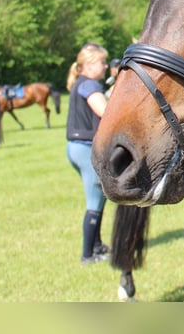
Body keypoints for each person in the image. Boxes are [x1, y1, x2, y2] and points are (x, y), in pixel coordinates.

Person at [66, 42, 111, 264]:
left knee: (99, 198)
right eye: (102, 62)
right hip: (85, 148)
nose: (105, 67)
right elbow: (105, 111)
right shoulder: (90, 86)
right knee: (94, 201)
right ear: (90, 64)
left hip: (77, 147)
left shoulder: (81, 84)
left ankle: (97, 245)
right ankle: (87, 255)